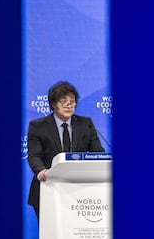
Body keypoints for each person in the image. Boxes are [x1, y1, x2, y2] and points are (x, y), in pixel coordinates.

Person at [27, 81, 104, 218]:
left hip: (79, 194)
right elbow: (34, 155)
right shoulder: (38, 126)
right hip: (47, 189)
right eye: (63, 101)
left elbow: (98, 153)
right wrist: (40, 171)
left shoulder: (85, 124)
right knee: (50, 237)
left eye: (72, 101)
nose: (69, 105)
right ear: (53, 104)